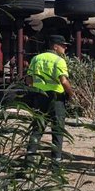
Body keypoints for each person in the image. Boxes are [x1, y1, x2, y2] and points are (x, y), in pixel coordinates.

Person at [24, 34, 74, 167]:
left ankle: (29, 160)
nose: (65, 48)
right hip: (56, 99)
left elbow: (28, 80)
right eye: (63, 46)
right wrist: (71, 94)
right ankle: (55, 163)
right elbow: (64, 81)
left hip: (39, 97)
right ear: (55, 46)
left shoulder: (36, 59)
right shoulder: (59, 61)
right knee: (57, 130)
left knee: (37, 128)